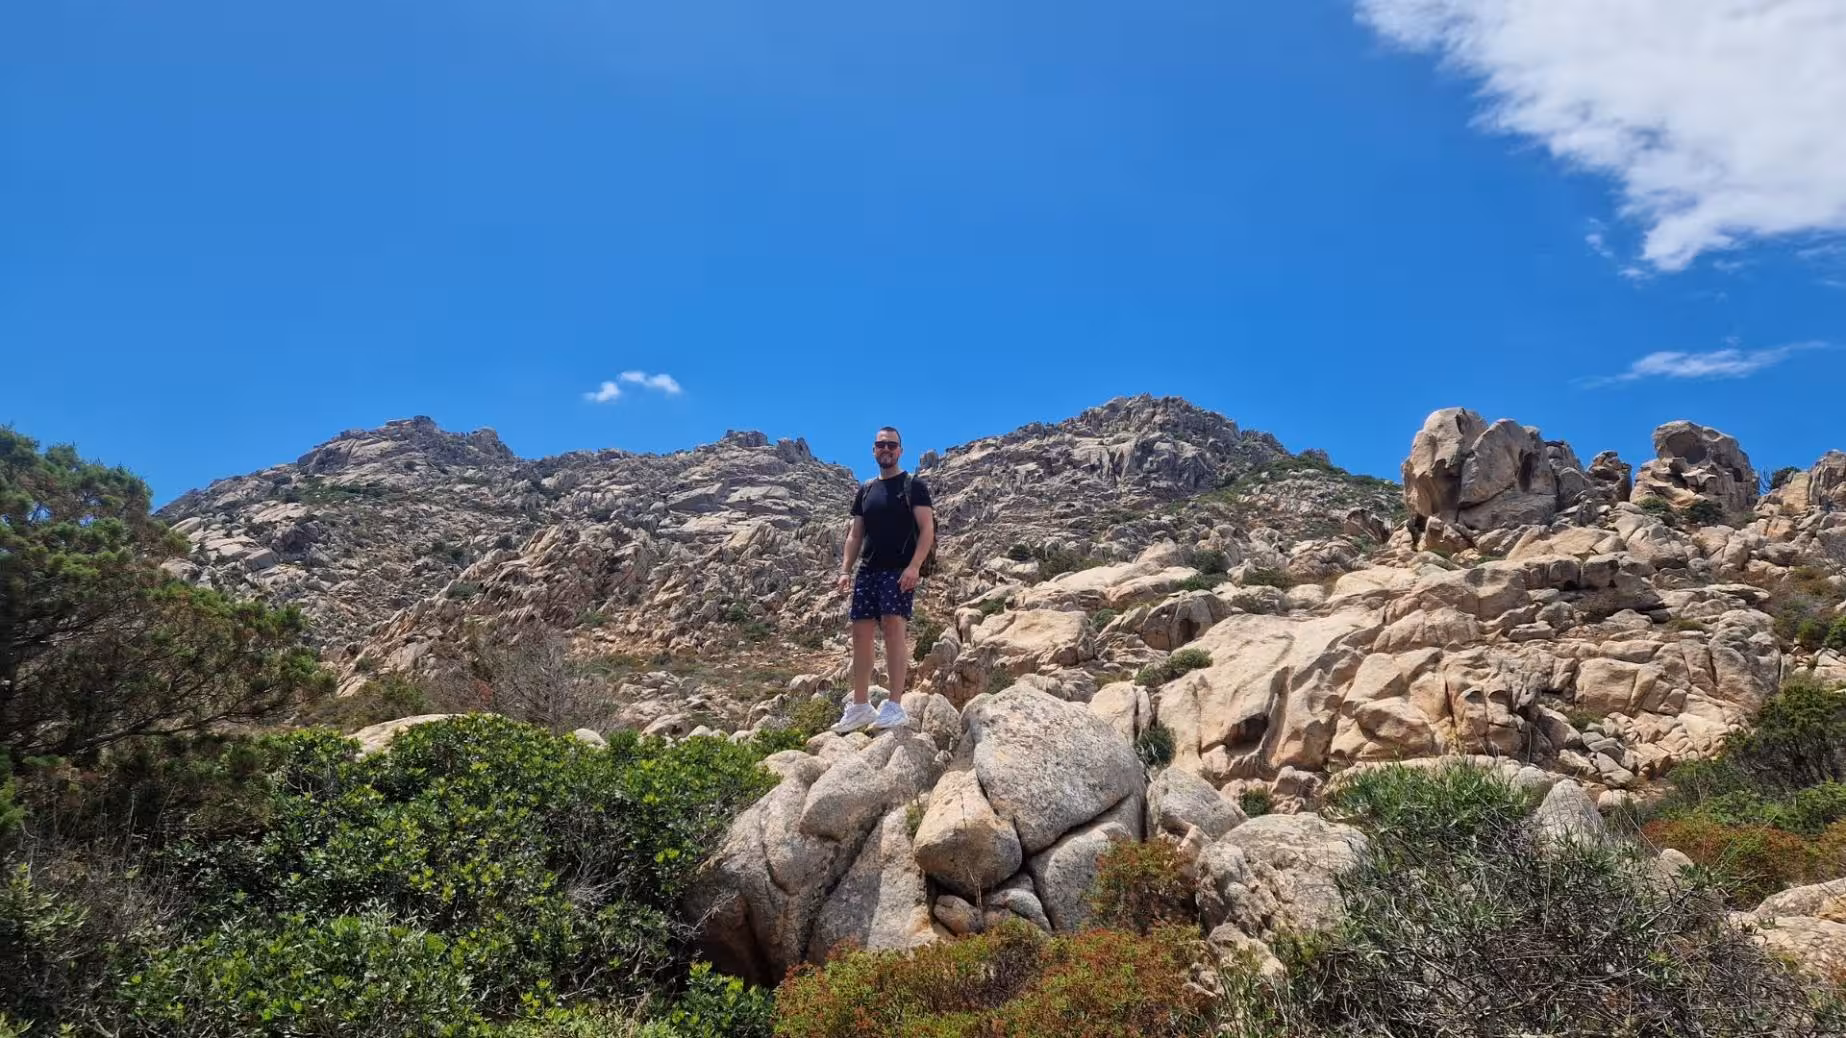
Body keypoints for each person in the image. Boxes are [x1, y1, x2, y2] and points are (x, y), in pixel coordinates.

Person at [831, 425, 934, 733]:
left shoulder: (913, 486)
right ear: (873, 451)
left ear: (900, 451)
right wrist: (845, 570)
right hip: (868, 570)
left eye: (892, 445)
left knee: (893, 630)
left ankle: (895, 705)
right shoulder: (865, 490)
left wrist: (914, 566)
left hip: (899, 569)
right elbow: (855, 533)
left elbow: (927, 530)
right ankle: (861, 706)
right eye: (881, 445)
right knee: (860, 634)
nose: (886, 449)